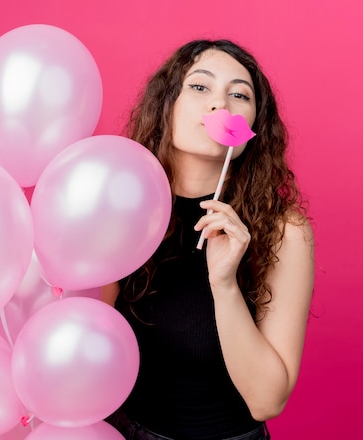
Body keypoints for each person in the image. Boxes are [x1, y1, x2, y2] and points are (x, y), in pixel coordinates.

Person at [102, 39, 315, 440]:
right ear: (167, 106)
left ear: (254, 125)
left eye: (239, 94)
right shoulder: (123, 210)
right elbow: (99, 341)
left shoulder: (284, 231)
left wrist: (223, 283)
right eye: (200, 87)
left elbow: (267, 402)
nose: (221, 105)